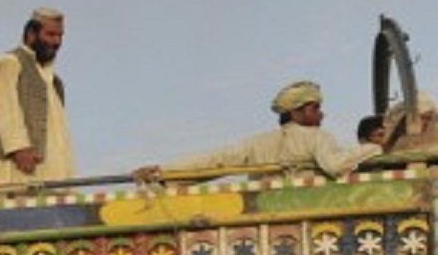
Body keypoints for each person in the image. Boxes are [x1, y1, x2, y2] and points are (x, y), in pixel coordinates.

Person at [134, 80, 382, 183]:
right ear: (296, 112)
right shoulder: (318, 137)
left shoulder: (256, 143)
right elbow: (334, 166)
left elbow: (216, 160)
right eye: (314, 108)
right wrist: (374, 148)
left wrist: (163, 172)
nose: (321, 115)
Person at [0, 7, 74, 186]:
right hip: (20, 171)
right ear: (31, 34)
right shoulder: (10, 61)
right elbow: (3, 106)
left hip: (54, 174)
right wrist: (18, 147)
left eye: (60, 36)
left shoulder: (55, 81)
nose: (57, 41)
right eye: (50, 34)